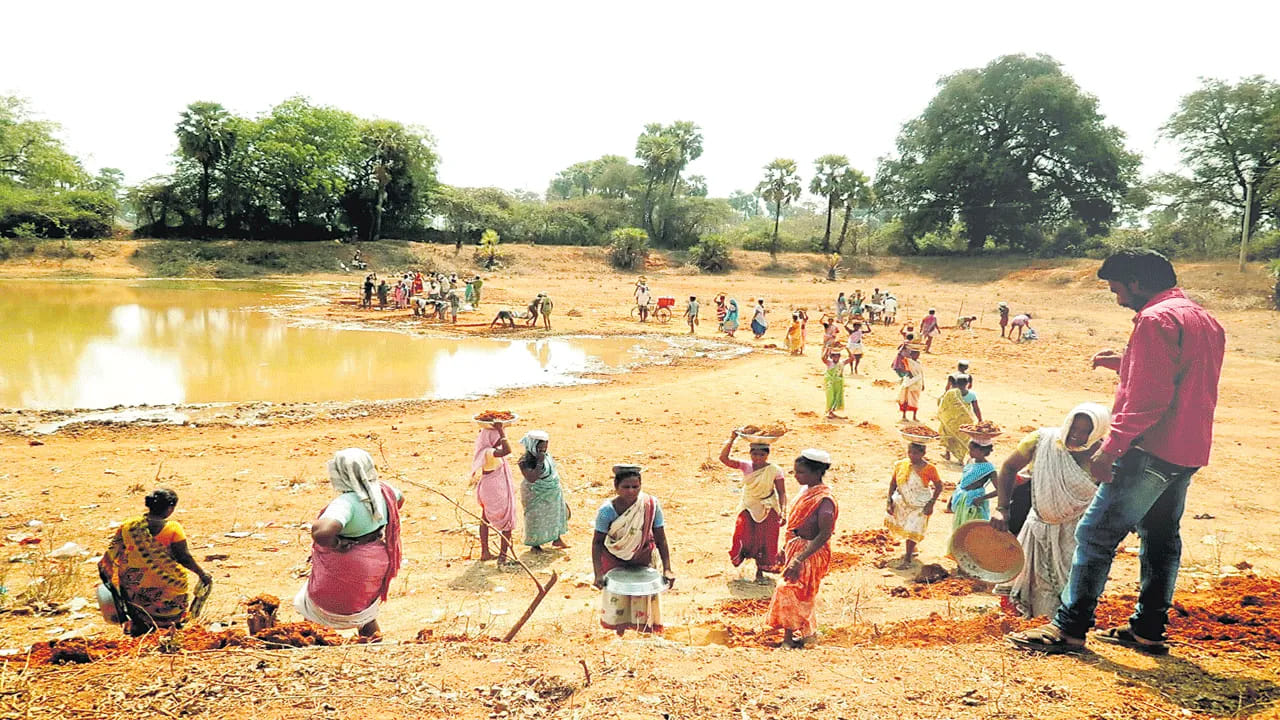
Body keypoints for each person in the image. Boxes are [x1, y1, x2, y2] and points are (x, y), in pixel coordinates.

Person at [1008, 249, 1225, 655]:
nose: (1119, 298)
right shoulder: (1203, 319)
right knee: (1161, 538)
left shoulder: (1155, 320)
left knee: (1095, 534)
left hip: (1150, 449)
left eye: (1118, 290)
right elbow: (1179, 374)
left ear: (1138, 283)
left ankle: (1068, 629)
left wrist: (1111, 447)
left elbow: (1150, 398)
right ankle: (1148, 629)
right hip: (1188, 448)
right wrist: (1126, 363)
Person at [992, 404, 1111, 618]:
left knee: (1069, 590)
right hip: (1038, 526)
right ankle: (1032, 626)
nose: (1076, 435)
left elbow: (1112, 493)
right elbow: (1009, 467)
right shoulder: (1042, 441)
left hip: (1075, 534)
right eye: (1074, 428)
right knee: (1033, 585)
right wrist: (1002, 509)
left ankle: (1058, 630)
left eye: (1085, 432)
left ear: (1097, 433)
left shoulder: (1104, 455)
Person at [294, 449, 403, 640]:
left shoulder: (347, 503)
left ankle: (310, 641)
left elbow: (321, 532)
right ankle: (373, 642)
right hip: (376, 560)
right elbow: (399, 500)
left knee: (313, 607)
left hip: (347, 564)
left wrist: (337, 543)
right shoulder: (384, 491)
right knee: (365, 609)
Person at [98, 488, 212, 636]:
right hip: (169, 591)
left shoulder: (128, 526)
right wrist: (202, 574)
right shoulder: (173, 528)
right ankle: (170, 633)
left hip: (135, 591)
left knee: (139, 615)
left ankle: (140, 629)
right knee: (172, 619)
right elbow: (183, 557)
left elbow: (108, 559)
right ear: (170, 508)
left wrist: (115, 596)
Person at [767, 449, 839, 648]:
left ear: (816, 473)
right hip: (797, 547)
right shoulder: (805, 492)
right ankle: (807, 634)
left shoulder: (824, 500)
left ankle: (788, 640)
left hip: (811, 552)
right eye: (795, 472)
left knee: (789, 590)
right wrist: (786, 548)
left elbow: (824, 534)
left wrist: (799, 558)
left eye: (801, 472)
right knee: (801, 594)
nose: (797, 476)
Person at [592, 465, 674, 635]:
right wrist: (598, 573)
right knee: (617, 599)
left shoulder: (650, 505)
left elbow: (661, 538)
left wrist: (667, 568)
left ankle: (643, 632)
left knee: (642, 597)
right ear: (616, 487)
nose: (631, 491)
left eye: (635, 487)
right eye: (626, 487)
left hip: (642, 556)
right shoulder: (607, 511)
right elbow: (597, 543)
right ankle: (619, 633)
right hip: (614, 558)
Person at [719, 434, 787, 582]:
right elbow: (724, 459)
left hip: (768, 507)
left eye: (761, 455)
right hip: (749, 505)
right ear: (750, 454)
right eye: (754, 454)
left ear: (767, 455)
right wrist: (731, 439)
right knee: (742, 531)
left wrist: (783, 511)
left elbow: (782, 492)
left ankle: (761, 569)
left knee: (766, 538)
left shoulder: (775, 470)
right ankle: (741, 558)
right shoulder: (745, 466)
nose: (757, 458)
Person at [885, 442, 943, 569]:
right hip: (904, 502)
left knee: (913, 529)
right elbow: (893, 483)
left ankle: (907, 560)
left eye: (916, 453)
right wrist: (889, 501)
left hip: (921, 504)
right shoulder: (901, 465)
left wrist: (931, 503)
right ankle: (913, 549)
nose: (912, 455)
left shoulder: (929, 469)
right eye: (910, 452)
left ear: (923, 454)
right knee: (906, 526)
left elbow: (939, 486)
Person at [471, 421, 516, 563]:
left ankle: (485, 552)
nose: (500, 442)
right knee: (507, 520)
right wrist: (501, 431)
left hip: (487, 487)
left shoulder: (484, 451)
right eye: (497, 440)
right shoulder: (489, 452)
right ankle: (502, 556)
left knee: (485, 518)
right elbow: (507, 450)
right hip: (496, 489)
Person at [517, 431, 569, 551]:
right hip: (534, 492)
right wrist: (539, 462)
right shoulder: (524, 461)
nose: (543, 451)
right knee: (535, 517)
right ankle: (535, 544)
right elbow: (531, 478)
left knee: (555, 514)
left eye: (545, 447)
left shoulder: (547, 456)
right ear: (532, 446)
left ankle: (557, 539)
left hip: (552, 491)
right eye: (540, 448)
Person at [948, 440, 997, 529]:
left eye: (972, 450)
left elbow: (1000, 491)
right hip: (962, 500)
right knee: (959, 528)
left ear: (983, 452)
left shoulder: (989, 468)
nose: (969, 452)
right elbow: (962, 480)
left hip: (974, 503)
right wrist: (952, 497)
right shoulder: (970, 461)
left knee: (972, 530)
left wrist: (981, 498)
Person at [937, 375, 980, 462]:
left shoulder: (951, 393)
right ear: (967, 383)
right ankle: (961, 459)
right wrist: (980, 419)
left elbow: (944, 405)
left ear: (956, 383)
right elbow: (976, 408)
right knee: (964, 438)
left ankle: (947, 453)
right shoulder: (972, 394)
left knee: (949, 434)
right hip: (966, 420)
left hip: (951, 420)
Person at [896, 345, 924, 421]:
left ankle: (914, 417)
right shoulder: (907, 361)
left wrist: (923, 383)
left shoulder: (919, 363)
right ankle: (904, 416)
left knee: (915, 400)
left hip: (917, 382)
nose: (917, 356)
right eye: (915, 354)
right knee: (906, 399)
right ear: (911, 354)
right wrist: (904, 346)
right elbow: (899, 355)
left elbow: (921, 373)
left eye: (918, 354)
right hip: (909, 382)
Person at [823, 346, 845, 419]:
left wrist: (847, 349)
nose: (836, 358)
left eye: (837, 357)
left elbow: (852, 358)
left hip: (838, 383)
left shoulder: (842, 363)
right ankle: (829, 411)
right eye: (834, 357)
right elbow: (823, 358)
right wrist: (826, 350)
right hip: (830, 382)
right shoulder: (829, 363)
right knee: (830, 396)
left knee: (837, 397)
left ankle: (831, 411)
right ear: (832, 357)